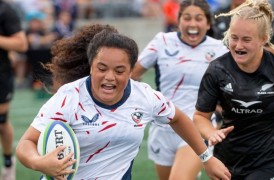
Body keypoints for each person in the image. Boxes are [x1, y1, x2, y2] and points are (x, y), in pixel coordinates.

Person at [16, 24, 231, 179]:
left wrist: (206, 158)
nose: (110, 77)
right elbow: (26, 143)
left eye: (119, 71)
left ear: (131, 71)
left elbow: (178, 118)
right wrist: (39, 162)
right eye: (102, 69)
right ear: (91, 66)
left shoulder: (144, 96)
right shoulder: (68, 97)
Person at [193, 0, 274, 179]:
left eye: (246, 39)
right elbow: (200, 117)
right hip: (228, 164)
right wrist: (211, 133)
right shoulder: (217, 70)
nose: (238, 46)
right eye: (234, 38)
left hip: (272, 163)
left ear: (264, 39)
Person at [131, 0, 228, 179]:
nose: (192, 24)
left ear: (207, 24)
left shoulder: (220, 49)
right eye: (187, 18)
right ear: (178, 21)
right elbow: (131, 74)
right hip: (163, 127)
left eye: (199, 19)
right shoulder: (162, 41)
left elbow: (234, 87)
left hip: (198, 127)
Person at [0, 1, 28, 180]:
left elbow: (22, 44)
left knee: (1, 122)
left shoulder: (5, 10)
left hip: (0, 74)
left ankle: (9, 161)